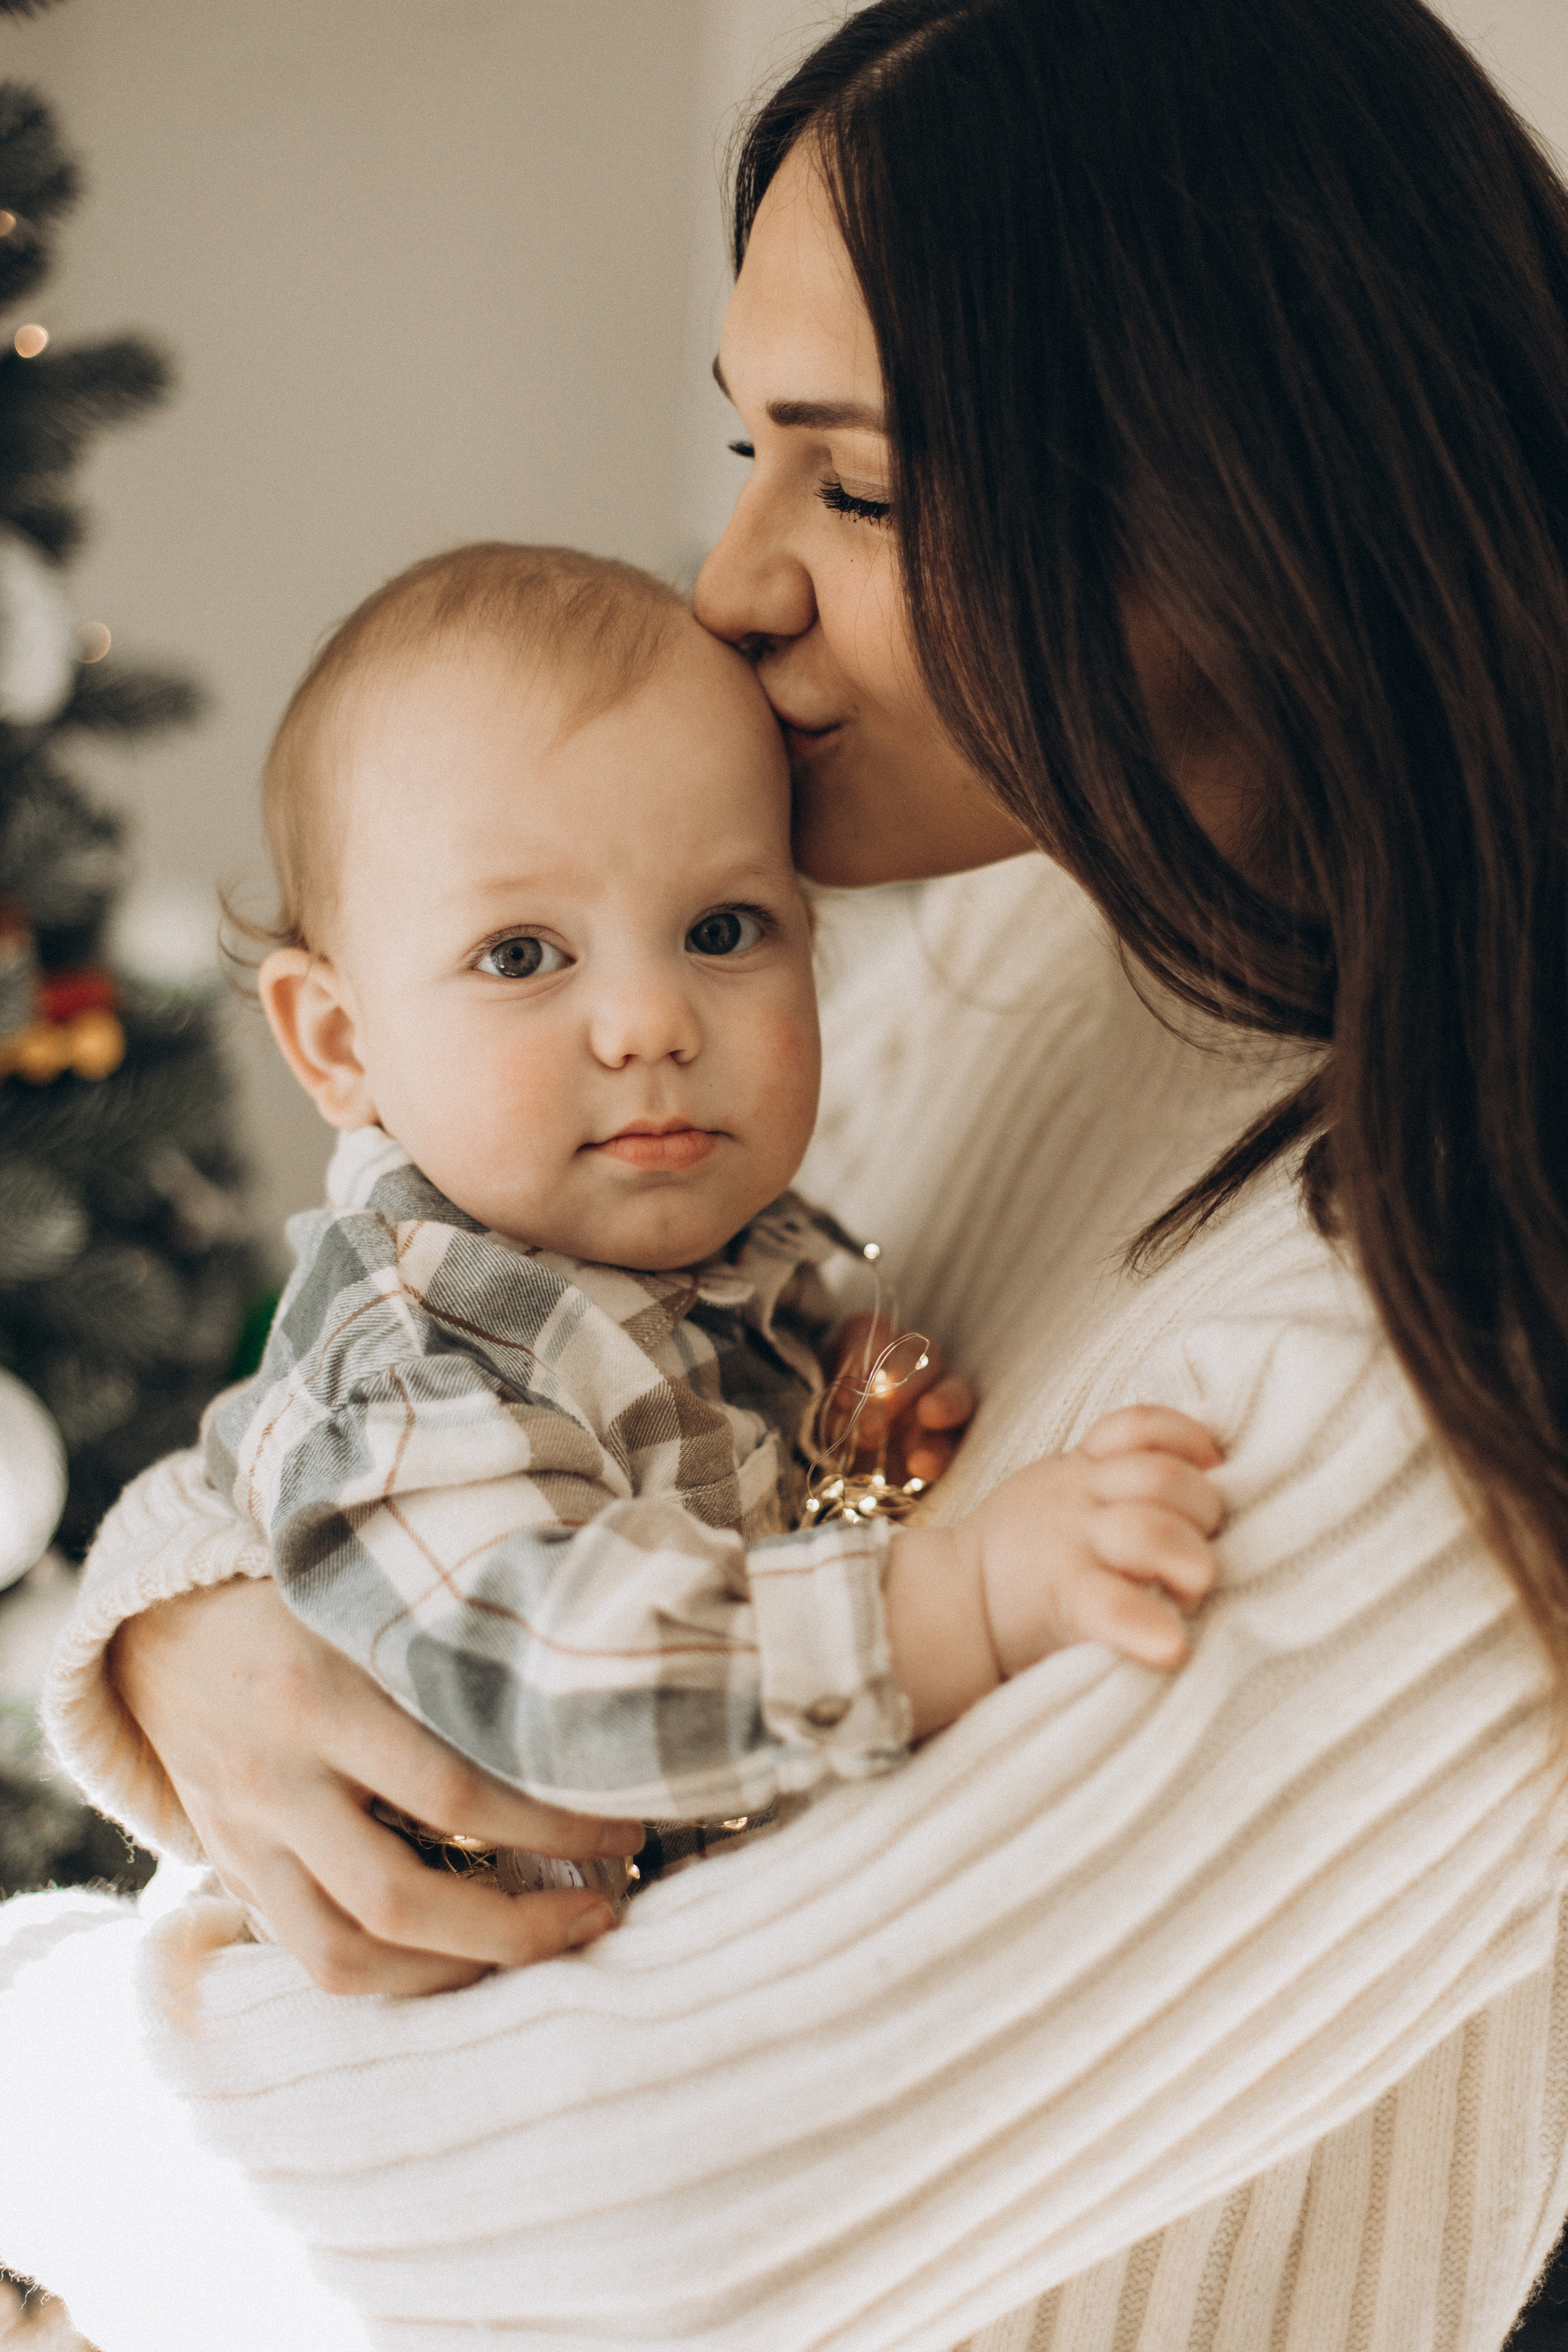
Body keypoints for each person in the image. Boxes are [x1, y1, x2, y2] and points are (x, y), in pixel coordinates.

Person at [10, 0, 1568, 2344]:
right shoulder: (1028, 940)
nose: (728, 581)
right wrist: (205, 1632)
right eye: (750, 448)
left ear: (1232, 501)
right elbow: (487, 1340)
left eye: (847, 483)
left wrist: (41, 2051)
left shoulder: (1452, 1327)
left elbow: (591, 2224)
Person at [209, 535, 1221, 1915]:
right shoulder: (414, 1354)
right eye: (520, 955)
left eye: (723, 930)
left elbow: (732, 1467)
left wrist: (854, 1429)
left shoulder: (710, 1247)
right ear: (337, 1041)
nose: (650, 1023)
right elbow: (570, 1672)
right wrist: (958, 1600)